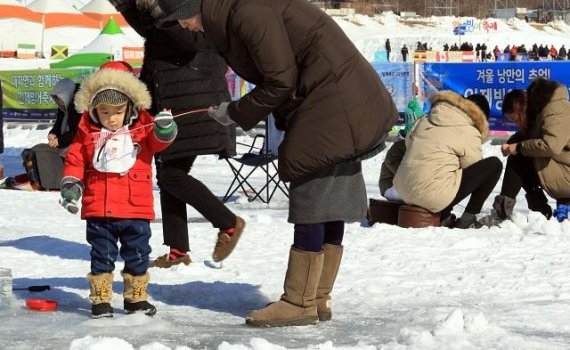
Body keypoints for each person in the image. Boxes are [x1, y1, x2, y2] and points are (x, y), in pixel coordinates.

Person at [157, 0, 398, 327]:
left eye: (182, 18)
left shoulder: (247, 12)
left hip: (331, 101)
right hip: (338, 98)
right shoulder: (237, 12)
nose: (184, 26)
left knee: (313, 194)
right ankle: (315, 297)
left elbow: (280, 79)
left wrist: (236, 111)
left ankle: (299, 302)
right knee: (330, 202)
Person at [109, 0, 244, 269]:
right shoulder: (165, 18)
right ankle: (177, 247)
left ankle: (228, 223)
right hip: (176, 101)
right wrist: (129, 7)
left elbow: (185, 41)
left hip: (194, 104)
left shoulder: (194, 14)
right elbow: (154, 30)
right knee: (168, 171)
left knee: (172, 175)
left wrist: (154, 9)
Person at [59, 62, 178, 318]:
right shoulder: (86, 131)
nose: (111, 118)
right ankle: (101, 300)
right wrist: (71, 187)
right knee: (102, 256)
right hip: (99, 209)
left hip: (136, 209)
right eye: (104, 112)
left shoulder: (143, 127)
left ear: (130, 108)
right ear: (93, 109)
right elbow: (76, 161)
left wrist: (165, 128)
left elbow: (159, 143)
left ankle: (135, 299)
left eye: (117, 111)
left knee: (137, 255)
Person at [393, 92, 503, 229]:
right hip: (431, 196)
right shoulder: (469, 130)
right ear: (480, 117)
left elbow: (408, 144)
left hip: (402, 190)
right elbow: (474, 168)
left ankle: (444, 215)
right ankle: (467, 219)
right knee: (494, 165)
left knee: (441, 169)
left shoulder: (426, 118)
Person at [492, 77, 570, 222]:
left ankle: (501, 214)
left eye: (516, 120)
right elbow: (530, 133)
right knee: (520, 153)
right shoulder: (541, 109)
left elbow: (550, 145)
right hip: (564, 166)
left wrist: (519, 147)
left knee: (519, 157)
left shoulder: (555, 109)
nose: (517, 124)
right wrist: (512, 144)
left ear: (521, 108)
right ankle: (541, 211)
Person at [20, 78, 82, 191]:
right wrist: (53, 134)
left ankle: (42, 181)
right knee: (31, 153)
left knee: (41, 153)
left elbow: (77, 132)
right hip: (63, 147)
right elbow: (58, 126)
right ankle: (37, 179)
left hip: (74, 150)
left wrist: (60, 141)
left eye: (59, 98)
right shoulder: (64, 108)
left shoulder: (78, 110)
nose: (59, 102)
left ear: (66, 95)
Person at [379, 98, 425, 202]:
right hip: (391, 185)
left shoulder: (419, 144)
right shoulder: (399, 145)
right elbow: (393, 164)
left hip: (405, 185)